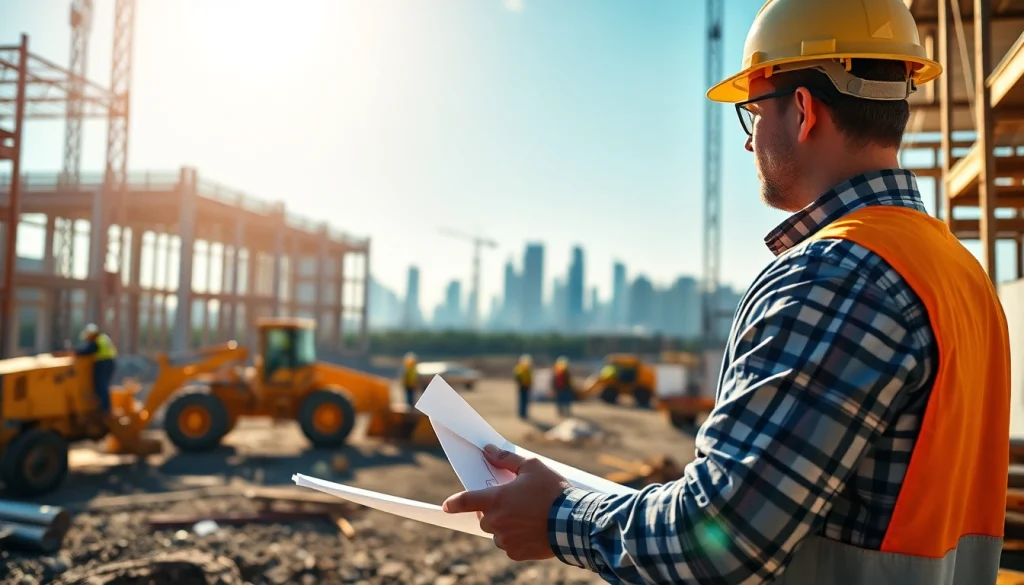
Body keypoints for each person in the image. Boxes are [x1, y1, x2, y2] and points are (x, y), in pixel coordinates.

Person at [440, 1, 1011, 582]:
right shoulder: (958, 274)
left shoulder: (839, 274)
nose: (748, 142)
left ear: (803, 110)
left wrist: (560, 517)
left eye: (752, 114)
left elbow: (720, 537)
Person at [75, 323, 118, 414]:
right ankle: (104, 407)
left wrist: (76, 351)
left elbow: (89, 350)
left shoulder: (98, 340)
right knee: (103, 386)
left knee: (101, 386)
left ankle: (105, 409)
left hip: (103, 363)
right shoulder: (103, 337)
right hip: (110, 362)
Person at [513, 354, 533, 419]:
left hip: (526, 387)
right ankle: (521, 413)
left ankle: (524, 413)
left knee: (525, 401)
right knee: (522, 400)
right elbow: (517, 377)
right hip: (522, 387)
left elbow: (530, 378)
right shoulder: (520, 369)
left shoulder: (527, 369)